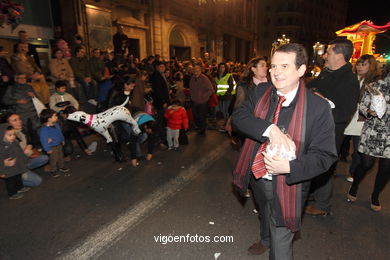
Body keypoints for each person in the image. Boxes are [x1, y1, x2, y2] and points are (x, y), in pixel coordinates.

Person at [232, 43, 337, 259]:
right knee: (264, 211)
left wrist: (290, 167)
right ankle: (265, 238)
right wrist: (269, 129)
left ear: (301, 70)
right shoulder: (261, 90)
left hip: (292, 184)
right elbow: (239, 117)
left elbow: (325, 156)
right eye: (273, 66)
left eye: (284, 66)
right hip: (258, 175)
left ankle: (274, 244)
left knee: (281, 243)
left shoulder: (318, 107)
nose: (276, 72)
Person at [305, 38, 360, 216]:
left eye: (328, 52)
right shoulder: (327, 72)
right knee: (314, 163)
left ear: (339, 55)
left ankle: (322, 205)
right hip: (314, 128)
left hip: (330, 133)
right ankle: (314, 195)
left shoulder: (349, 81)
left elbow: (344, 114)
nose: (325, 55)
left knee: (325, 166)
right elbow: (311, 87)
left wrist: (324, 103)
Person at [347, 73, 390, 212]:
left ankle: (375, 195)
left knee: (386, 168)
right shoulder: (376, 86)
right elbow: (362, 106)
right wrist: (369, 111)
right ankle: (355, 185)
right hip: (372, 131)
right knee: (366, 164)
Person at [343, 55, 381, 182]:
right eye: (358, 64)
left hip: (362, 118)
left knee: (359, 148)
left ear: (371, 66)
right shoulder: (352, 78)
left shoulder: (375, 82)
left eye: (363, 64)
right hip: (348, 115)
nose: (359, 67)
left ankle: (353, 173)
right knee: (338, 143)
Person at [6, 113, 48, 187]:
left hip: (25, 160)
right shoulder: (7, 137)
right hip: (16, 166)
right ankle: (15, 180)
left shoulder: (22, 130)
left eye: (19, 119)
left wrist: (29, 146)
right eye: (14, 120)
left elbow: (31, 141)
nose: (19, 121)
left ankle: (26, 171)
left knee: (44, 158)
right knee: (37, 182)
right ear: (8, 124)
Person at [2, 73, 41, 145]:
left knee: (37, 131)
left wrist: (34, 95)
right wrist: (16, 101)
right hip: (21, 114)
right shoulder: (11, 88)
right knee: (25, 133)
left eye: (24, 78)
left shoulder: (29, 86)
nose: (23, 79)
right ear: (16, 79)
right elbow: (5, 101)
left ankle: (39, 147)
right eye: (21, 78)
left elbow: (39, 99)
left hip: (33, 113)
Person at [0, 124, 35, 199]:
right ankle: (12, 194)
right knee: (11, 182)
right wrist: (1, 172)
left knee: (18, 178)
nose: (13, 136)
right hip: (8, 169)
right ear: (2, 136)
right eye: (10, 135)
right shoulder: (1, 148)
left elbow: (20, 153)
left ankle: (20, 188)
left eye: (13, 134)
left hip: (17, 166)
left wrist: (25, 160)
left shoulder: (15, 143)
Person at [39, 109, 69, 177]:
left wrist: (62, 139)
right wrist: (47, 149)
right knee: (54, 158)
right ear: (49, 119)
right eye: (54, 116)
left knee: (61, 156)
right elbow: (43, 140)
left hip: (58, 144)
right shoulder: (44, 129)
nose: (57, 117)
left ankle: (61, 166)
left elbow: (59, 133)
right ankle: (53, 169)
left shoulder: (56, 125)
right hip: (51, 146)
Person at [189, 65, 213, 135]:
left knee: (202, 116)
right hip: (194, 101)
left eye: (197, 71)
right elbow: (191, 88)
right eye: (194, 71)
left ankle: (202, 130)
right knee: (195, 115)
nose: (195, 73)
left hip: (203, 102)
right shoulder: (192, 78)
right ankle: (199, 127)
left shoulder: (204, 79)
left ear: (200, 71)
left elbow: (211, 90)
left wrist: (204, 96)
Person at [215, 62, 236, 131]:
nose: (221, 69)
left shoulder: (228, 75)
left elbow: (231, 86)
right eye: (220, 67)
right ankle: (226, 123)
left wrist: (227, 93)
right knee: (222, 110)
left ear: (225, 68)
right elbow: (217, 86)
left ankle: (227, 125)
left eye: (223, 67)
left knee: (225, 111)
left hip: (227, 96)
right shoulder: (217, 76)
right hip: (220, 96)